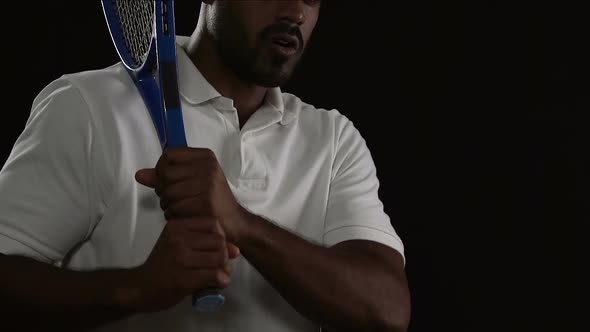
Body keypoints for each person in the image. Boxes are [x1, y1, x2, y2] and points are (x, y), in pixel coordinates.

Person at [0, 1, 411, 331]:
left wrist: (241, 225)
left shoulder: (333, 139)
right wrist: (135, 289)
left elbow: (387, 310)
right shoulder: (88, 107)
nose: (295, 13)